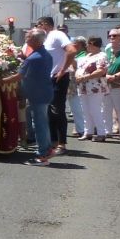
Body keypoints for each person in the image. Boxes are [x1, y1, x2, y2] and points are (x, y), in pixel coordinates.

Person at [2, 28, 54, 165]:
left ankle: (42, 156)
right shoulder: (42, 54)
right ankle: (47, 149)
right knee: (42, 123)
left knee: (40, 125)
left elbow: (19, 76)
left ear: (35, 40)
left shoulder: (35, 57)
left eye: (28, 36)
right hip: (43, 93)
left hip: (38, 95)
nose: (26, 38)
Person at [37, 16, 76, 156]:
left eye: (38, 25)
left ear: (45, 24)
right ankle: (53, 142)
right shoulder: (46, 38)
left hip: (57, 78)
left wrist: (63, 69)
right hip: (47, 79)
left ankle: (61, 144)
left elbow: (71, 50)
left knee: (57, 111)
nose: (37, 27)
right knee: (49, 111)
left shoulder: (57, 34)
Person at [74, 36, 111, 141]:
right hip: (83, 87)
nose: (87, 46)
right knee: (85, 110)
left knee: (95, 110)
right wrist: (78, 76)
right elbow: (79, 68)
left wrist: (85, 77)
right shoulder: (87, 56)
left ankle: (101, 133)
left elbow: (101, 71)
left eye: (89, 44)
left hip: (96, 87)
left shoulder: (101, 55)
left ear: (95, 45)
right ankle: (88, 132)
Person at [102, 28, 120, 139]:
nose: (111, 38)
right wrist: (106, 75)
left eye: (114, 36)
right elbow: (103, 65)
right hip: (106, 84)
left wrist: (116, 76)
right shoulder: (107, 50)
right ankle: (107, 131)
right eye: (110, 36)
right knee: (106, 108)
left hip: (119, 84)